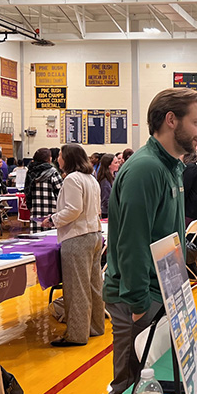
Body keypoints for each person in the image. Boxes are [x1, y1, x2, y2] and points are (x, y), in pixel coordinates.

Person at [103, 87, 197, 394]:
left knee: (155, 384)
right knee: (132, 387)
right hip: (139, 296)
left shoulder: (170, 166)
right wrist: (136, 305)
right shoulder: (146, 169)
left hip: (163, 291)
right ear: (171, 120)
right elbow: (131, 242)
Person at [42, 144, 104, 346]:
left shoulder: (71, 179)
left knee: (77, 288)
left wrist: (52, 219)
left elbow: (73, 210)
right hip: (94, 235)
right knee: (94, 285)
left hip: (78, 238)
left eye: (59, 155)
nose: (57, 158)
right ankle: (95, 326)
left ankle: (76, 335)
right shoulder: (91, 178)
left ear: (67, 158)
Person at [24, 148, 63, 232]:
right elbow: (61, 191)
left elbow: (27, 191)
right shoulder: (52, 172)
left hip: (35, 208)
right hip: (51, 208)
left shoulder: (30, 171)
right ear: (49, 158)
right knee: (50, 237)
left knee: (36, 237)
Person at [183, 152, 197, 223]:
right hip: (193, 208)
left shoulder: (190, 168)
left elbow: (185, 188)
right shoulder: (193, 167)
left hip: (190, 209)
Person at [96, 153, 117, 219]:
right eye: (116, 163)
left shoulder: (115, 176)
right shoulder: (105, 181)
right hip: (108, 213)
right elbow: (106, 201)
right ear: (109, 165)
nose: (118, 165)